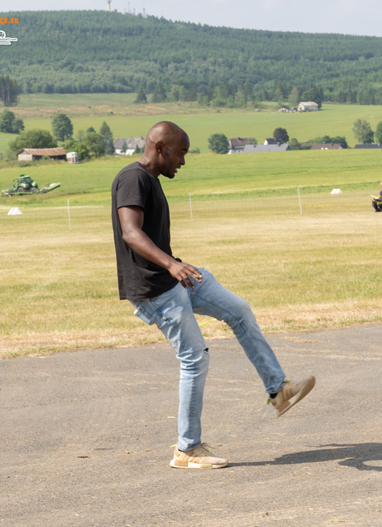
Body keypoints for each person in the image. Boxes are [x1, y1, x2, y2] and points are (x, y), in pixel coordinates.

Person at [111, 121, 315, 470]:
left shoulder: (150, 180)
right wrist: (170, 266)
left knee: (238, 310)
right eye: (181, 153)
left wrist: (175, 264)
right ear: (160, 148)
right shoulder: (134, 179)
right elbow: (131, 233)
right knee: (194, 357)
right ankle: (187, 449)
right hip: (155, 288)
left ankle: (278, 390)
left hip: (172, 275)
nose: (183, 162)